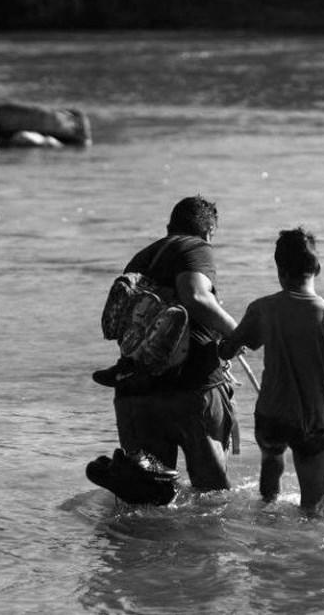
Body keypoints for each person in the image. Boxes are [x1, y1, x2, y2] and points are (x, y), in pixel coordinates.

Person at [218, 227, 324, 515]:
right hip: (311, 423)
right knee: (314, 506)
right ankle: (303, 550)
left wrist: (228, 343)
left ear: (279, 270)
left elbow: (227, 350)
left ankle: (266, 517)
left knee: (272, 460)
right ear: (317, 268)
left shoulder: (262, 309)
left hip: (269, 418)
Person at [108, 195, 238, 492]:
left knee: (148, 499)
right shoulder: (196, 246)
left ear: (169, 226)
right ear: (209, 232)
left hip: (135, 390)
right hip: (191, 387)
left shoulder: (140, 258)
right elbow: (195, 295)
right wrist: (236, 332)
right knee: (212, 498)